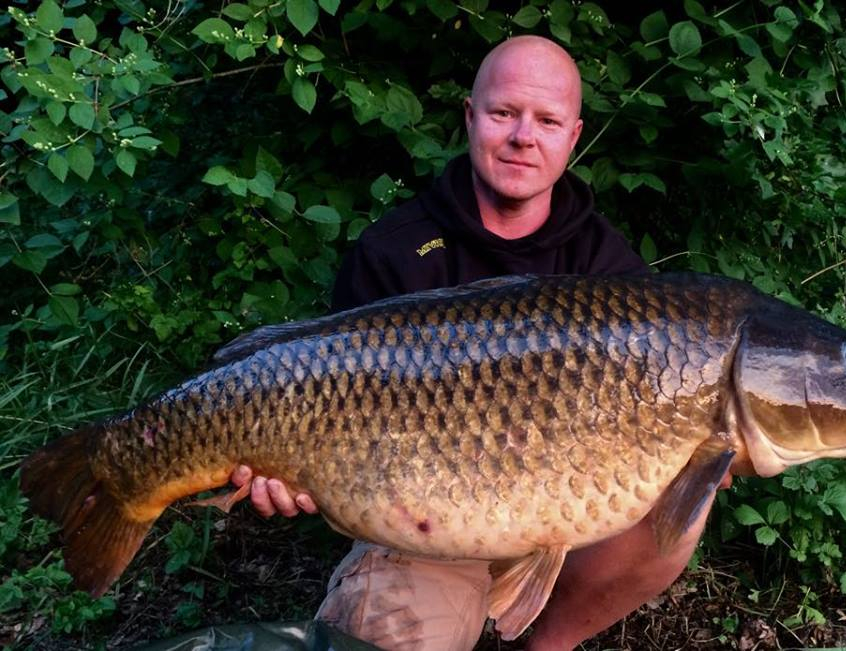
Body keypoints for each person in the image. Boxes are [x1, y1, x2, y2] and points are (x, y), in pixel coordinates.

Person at [229, 35, 731, 650]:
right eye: (504, 113)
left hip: (573, 509)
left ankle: (546, 644)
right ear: (470, 117)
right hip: (428, 521)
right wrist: (288, 470)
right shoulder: (394, 250)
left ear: (573, 136)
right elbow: (323, 401)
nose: (523, 136)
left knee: (681, 506)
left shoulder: (606, 265)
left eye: (547, 121)